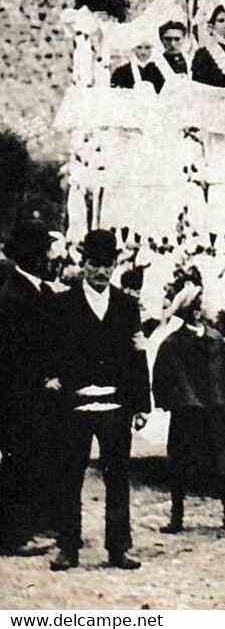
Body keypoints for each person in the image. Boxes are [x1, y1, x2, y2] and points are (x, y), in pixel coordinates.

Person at [44, 230, 151, 571]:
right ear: (83, 264)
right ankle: (67, 547)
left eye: (107, 265)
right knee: (69, 475)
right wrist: (50, 377)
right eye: (94, 265)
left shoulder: (126, 304)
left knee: (117, 476)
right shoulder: (63, 303)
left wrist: (141, 404)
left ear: (115, 264)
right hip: (74, 403)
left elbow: (137, 356)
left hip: (115, 405)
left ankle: (119, 547)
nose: (101, 272)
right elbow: (45, 347)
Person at [151, 286, 225, 535]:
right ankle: (177, 515)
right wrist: (180, 402)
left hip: (214, 410)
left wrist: (221, 401)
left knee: (221, 459)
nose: (206, 307)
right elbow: (162, 379)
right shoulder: (171, 345)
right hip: (186, 412)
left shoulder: (215, 339)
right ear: (193, 312)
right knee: (178, 462)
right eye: (201, 303)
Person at [0, 219, 57, 556]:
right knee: (19, 462)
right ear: (32, 255)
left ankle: (27, 526)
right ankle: (14, 535)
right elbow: (16, 354)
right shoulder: (14, 296)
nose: (49, 257)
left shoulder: (34, 289)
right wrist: (41, 380)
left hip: (31, 393)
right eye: (44, 250)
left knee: (30, 460)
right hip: (20, 395)